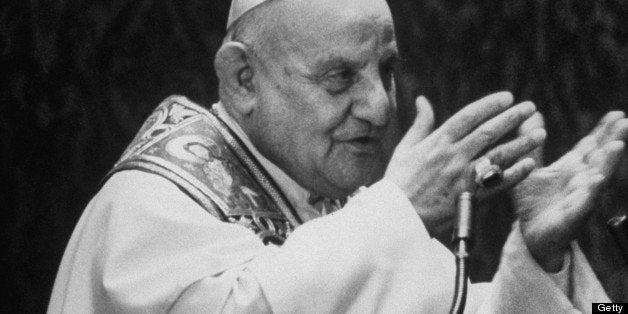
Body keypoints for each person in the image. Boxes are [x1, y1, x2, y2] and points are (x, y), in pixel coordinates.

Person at [49, 0, 628, 312]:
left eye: (387, 70)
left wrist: (538, 261)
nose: (379, 107)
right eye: (340, 77)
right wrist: (398, 209)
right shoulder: (148, 206)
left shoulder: (348, 211)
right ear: (243, 79)